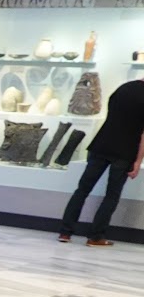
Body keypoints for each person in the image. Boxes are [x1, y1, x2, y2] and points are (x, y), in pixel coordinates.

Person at [58, 76, 144, 246]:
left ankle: (65, 232)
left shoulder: (123, 88)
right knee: (111, 196)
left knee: (82, 190)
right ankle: (96, 236)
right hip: (125, 151)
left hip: (101, 145)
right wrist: (137, 161)